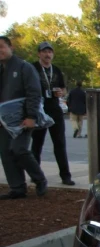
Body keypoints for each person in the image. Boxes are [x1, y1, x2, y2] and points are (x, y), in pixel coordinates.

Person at [0, 36, 48, 199]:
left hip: (22, 118)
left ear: (10, 48)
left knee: (19, 149)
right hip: (4, 120)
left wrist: (31, 116)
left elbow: (34, 92)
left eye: (2, 47)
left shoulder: (24, 67)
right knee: (6, 152)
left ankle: (39, 179)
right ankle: (17, 187)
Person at [31, 41, 74, 186]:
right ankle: (35, 174)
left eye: (50, 52)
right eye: (44, 51)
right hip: (38, 109)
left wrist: (62, 92)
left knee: (60, 143)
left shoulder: (56, 70)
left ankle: (65, 176)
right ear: (39, 54)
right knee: (37, 143)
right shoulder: (32, 68)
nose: (47, 54)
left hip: (54, 108)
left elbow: (63, 88)